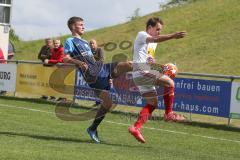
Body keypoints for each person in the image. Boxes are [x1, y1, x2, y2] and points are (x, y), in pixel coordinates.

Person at [63, 16, 132, 143]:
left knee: (128, 66)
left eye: (83, 24)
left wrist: (109, 76)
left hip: (100, 71)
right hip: (92, 76)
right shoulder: (70, 40)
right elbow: (65, 58)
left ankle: (92, 129)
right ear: (73, 27)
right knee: (109, 103)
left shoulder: (84, 42)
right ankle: (160, 69)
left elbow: (93, 61)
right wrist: (78, 62)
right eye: (81, 24)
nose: (83, 26)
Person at [128, 17, 187, 143]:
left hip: (141, 73)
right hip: (142, 72)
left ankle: (135, 128)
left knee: (153, 103)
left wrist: (162, 67)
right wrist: (173, 36)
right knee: (170, 83)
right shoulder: (142, 34)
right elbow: (154, 39)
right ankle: (169, 114)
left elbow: (146, 60)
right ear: (149, 28)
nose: (159, 32)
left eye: (160, 30)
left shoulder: (152, 45)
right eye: (157, 29)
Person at [89, 39, 105, 106]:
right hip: (92, 71)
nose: (92, 44)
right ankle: (97, 101)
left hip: (100, 70)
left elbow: (102, 60)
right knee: (95, 87)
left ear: (96, 44)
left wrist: (94, 63)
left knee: (101, 87)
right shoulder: (89, 51)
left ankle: (103, 102)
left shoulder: (100, 50)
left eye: (93, 43)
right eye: (90, 43)